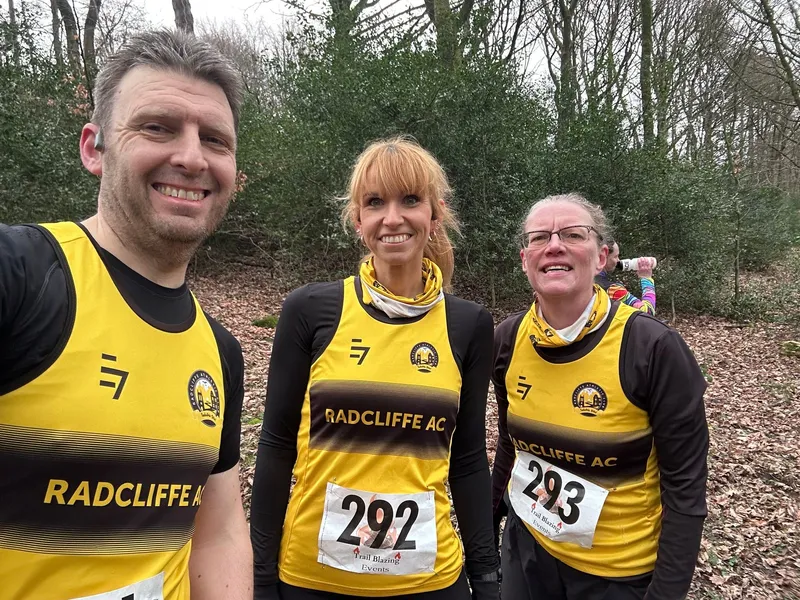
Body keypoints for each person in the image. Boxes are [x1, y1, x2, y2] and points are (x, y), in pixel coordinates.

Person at [0, 30, 252, 599]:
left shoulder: (219, 353)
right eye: (157, 127)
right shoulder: (20, 276)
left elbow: (217, 533)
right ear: (94, 148)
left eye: (214, 139)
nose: (191, 157)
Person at [250, 137, 501, 600]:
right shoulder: (311, 310)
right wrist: (260, 575)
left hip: (427, 582)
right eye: (375, 203)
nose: (392, 218)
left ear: (435, 214)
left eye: (410, 200)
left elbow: (467, 459)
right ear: (357, 219)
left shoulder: (468, 324)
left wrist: (486, 576)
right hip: (312, 579)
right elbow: (277, 445)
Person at [490, 193, 708, 600]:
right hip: (526, 551)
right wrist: (487, 531)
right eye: (540, 237)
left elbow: (685, 487)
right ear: (524, 259)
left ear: (602, 257)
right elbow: (509, 442)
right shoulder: (506, 339)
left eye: (574, 234)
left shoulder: (653, 347)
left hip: (615, 575)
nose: (554, 246)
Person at [595, 239, 657, 315]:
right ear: (602, 257)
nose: (618, 260)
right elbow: (647, 312)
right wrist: (646, 278)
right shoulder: (613, 290)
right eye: (615, 256)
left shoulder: (584, 280)